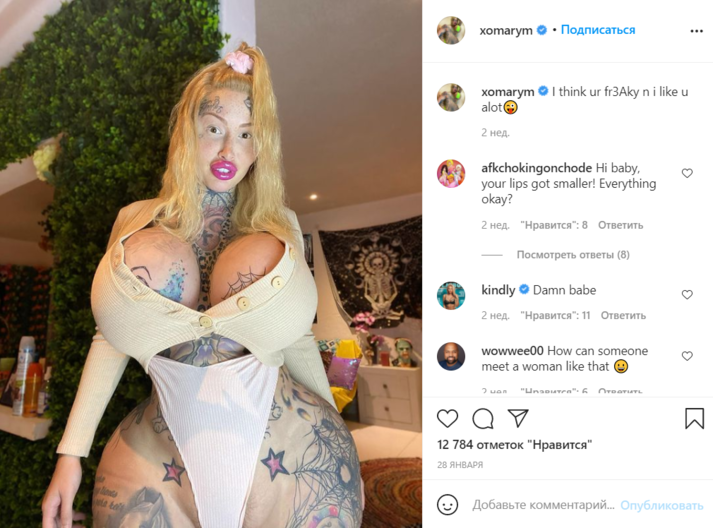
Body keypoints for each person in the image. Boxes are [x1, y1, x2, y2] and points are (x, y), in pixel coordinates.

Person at [42, 43, 364, 528]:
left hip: (291, 462)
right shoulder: (135, 219)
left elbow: (297, 335)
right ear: (187, 134)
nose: (229, 151)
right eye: (214, 129)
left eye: (246, 134)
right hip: (157, 464)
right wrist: (71, 454)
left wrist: (339, 435)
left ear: (261, 146)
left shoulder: (281, 223)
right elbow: (110, 336)